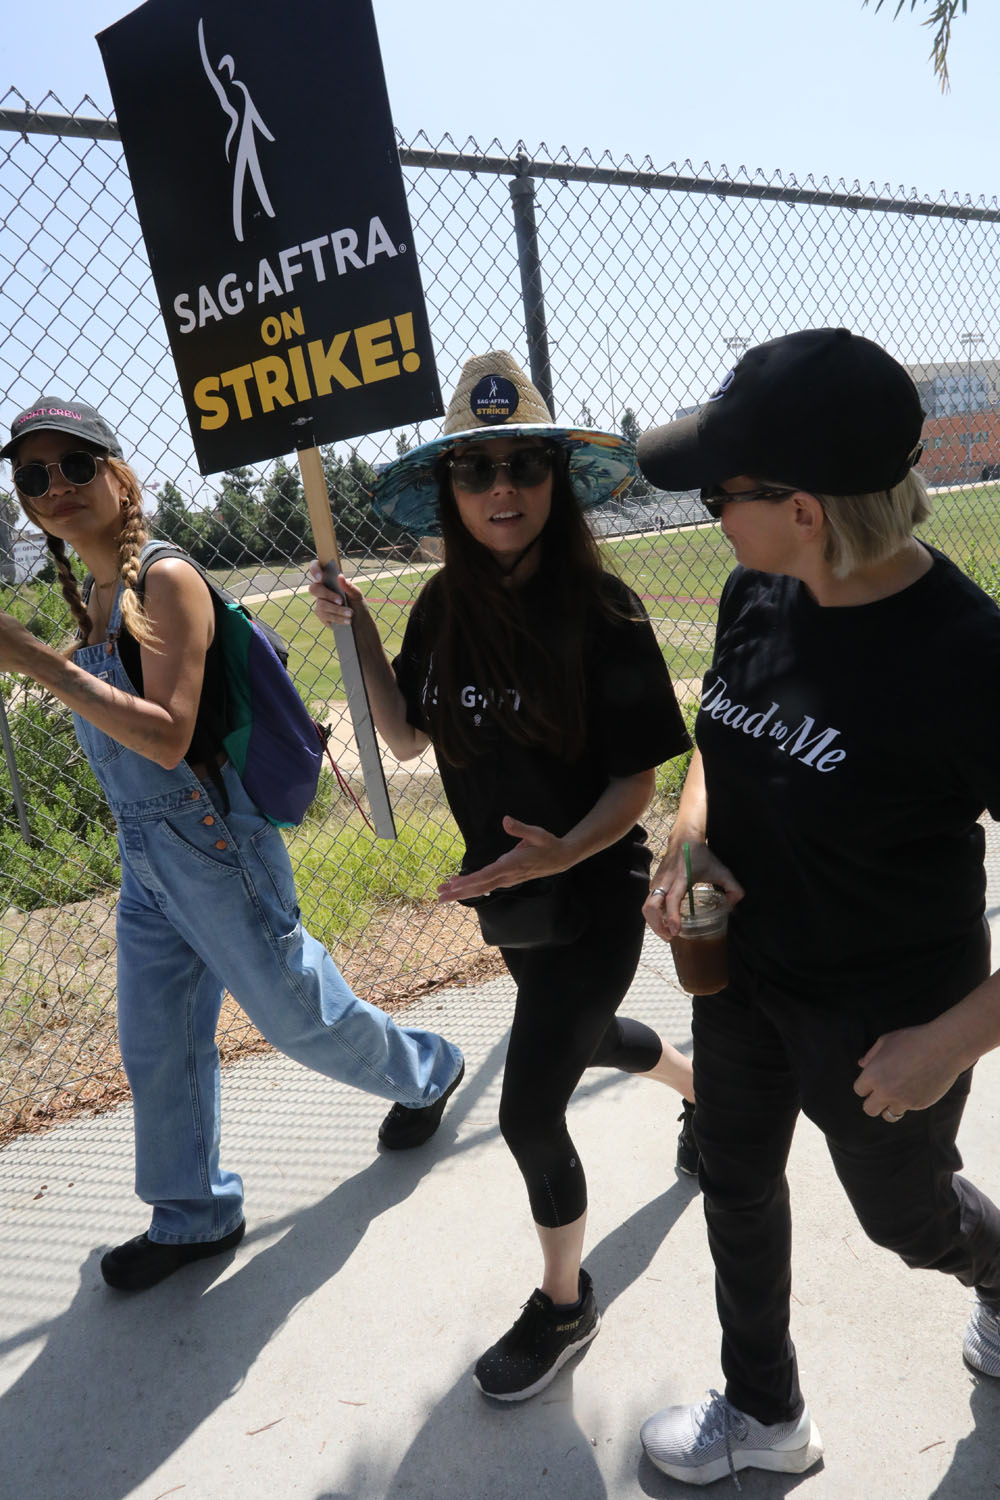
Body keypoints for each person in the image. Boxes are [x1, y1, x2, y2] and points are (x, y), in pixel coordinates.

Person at [634, 328, 1000, 1487]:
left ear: (802, 508)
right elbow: (716, 743)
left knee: (906, 1221)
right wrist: (688, 841)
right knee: (732, 1177)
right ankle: (763, 1412)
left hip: (887, 1019)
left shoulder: (968, 659)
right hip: (745, 973)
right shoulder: (759, 589)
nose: (708, 513)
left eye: (720, 494)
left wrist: (950, 1042)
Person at [0, 396, 464, 1293]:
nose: (54, 486)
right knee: (157, 1043)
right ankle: (194, 1214)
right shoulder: (95, 594)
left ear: (119, 476)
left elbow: (168, 736)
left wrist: (38, 663)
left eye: (75, 465)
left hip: (210, 842)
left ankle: (428, 1071)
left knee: (297, 1016)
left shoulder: (164, 579)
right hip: (146, 859)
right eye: (32, 476)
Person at [309, 351, 694, 1401]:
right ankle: (703, 1095)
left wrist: (562, 849)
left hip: (592, 893)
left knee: (528, 1111)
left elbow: (637, 783)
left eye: (524, 464)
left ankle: (565, 1304)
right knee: (582, 1041)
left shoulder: (605, 612)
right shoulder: (440, 608)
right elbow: (404, 737)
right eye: (475, 470)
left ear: (555, 479)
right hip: (511, 898)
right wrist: (360, 632)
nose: (501, 489)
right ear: (450, 489)